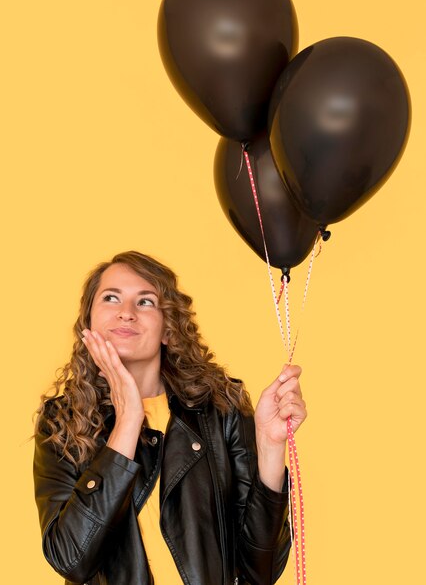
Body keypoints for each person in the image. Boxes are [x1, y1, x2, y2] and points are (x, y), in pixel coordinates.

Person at [33, 251, 307, 585]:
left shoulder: (221, 408)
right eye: (111, 298)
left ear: (168, 329)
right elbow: (71, 558)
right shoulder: (62, 422)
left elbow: (258, 570)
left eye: (145, 302)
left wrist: (270, 446)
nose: (126, 313)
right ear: (89, 323)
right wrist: (128, 421)